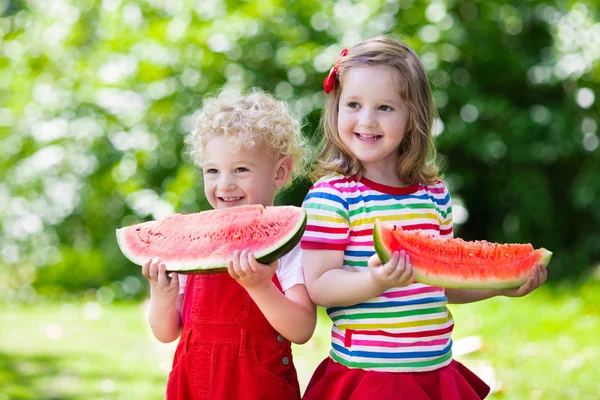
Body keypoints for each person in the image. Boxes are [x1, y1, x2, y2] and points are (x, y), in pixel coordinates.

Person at [300, 36, 547, 400]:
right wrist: (376, 281)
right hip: (371, 377)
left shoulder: (433, 194)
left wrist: (501, 285)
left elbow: (442, 282)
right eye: (353, 104)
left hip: (434, 372)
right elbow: (320, 286)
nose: (366, 120)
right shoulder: (332, 196)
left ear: (413, 115)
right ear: (336, 108)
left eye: (385, 108)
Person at [141, 89, 316, 400]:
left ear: (280, 171)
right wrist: (163, 298)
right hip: (192, 385)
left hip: (258, 389)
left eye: (241, 169)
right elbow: (166, 333)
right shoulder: (192, 241)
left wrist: (261, 286)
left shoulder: (287, 244)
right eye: (212, 171)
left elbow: (302, 329)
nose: (225, 184)